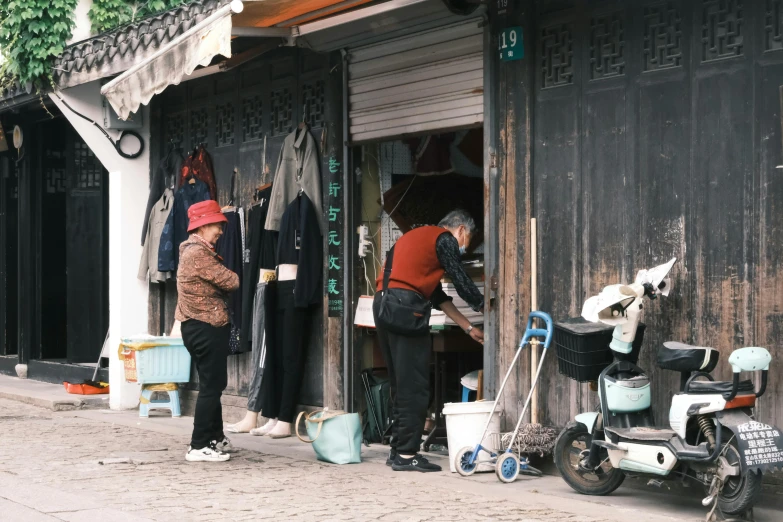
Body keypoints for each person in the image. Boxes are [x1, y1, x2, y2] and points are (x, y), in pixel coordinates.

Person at [374, 209, 485, 473]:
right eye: (466, 242)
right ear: (459, 230)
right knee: (415, 385)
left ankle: (398, 451)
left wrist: (468, 327)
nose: (462, 248)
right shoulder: (443, 238)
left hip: (385, 305)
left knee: (401, 383)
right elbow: (459, 277)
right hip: (405, 307)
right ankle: (407, 454)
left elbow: (437, 296)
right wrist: (484, 304)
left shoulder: (415, 240)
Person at [175, 200, 240, 462]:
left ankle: (215, 437)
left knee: (212, 384)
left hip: (198, 327)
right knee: (211, 387)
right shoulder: (197, 254)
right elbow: (232, 280)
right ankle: (199, 444)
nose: (221, 231)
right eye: (217, 225)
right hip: (206, 327)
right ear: (203, 226)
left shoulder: (191, 250)